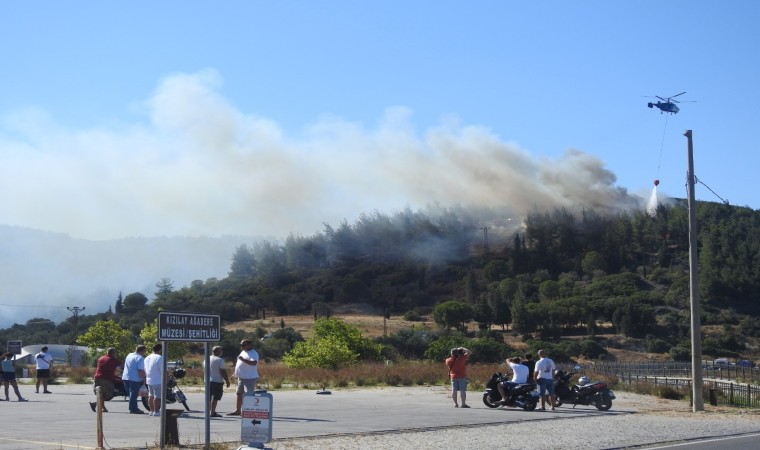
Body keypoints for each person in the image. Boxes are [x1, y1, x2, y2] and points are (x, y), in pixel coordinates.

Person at [227, 339, 259, 416]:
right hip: (241, 377)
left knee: (249, 395)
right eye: (241, 345)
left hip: (249, 378)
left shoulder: (253, 353)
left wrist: (243, 360)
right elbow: (239, 364)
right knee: (239, 394)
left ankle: (248, 410)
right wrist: (235, 373)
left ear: (249, 345)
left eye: (243, 345)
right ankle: (238, 411)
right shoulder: (243, 352)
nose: (241, 346)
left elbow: (254, 363)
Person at [91, 347, 121, 413]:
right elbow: (120, 366)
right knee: (109, 394)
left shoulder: (101, 358)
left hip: (97, 377)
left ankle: (102, 408)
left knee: (101, 394)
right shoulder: (113, 359)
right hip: (106, 378)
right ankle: (95, 404)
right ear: (113, 353)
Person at [203, 345, 230, 417]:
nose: (221, 352)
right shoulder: (220, 360)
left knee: (208, 397)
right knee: (215, 397)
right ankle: (212, 412)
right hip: (217, 381)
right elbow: (222, 371)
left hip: (208, 381)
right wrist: (227, 380)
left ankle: (207, 412)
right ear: (217, 351)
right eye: (220, 350)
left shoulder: (206, 359)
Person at [122, 345, 147, 414]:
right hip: (134, 378)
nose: (145, 353)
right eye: (145, 351)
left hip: (125, 377)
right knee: (134, 394)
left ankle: (133, 407)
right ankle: (133, 409)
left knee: (130, 394)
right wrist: (144, 378)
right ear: (142, 351)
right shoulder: (140, 358)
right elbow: (140, 370)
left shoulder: (129, 355)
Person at [143, 343, 165, 417]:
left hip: (149, 379)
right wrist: (166, 378)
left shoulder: (147, 358)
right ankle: (156, 411)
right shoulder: (159, 358)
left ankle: (151, 411)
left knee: (150, 396)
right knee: (157, 397)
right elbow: (163, 370)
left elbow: (145, 369)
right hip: (157, 380)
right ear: (160, 350)